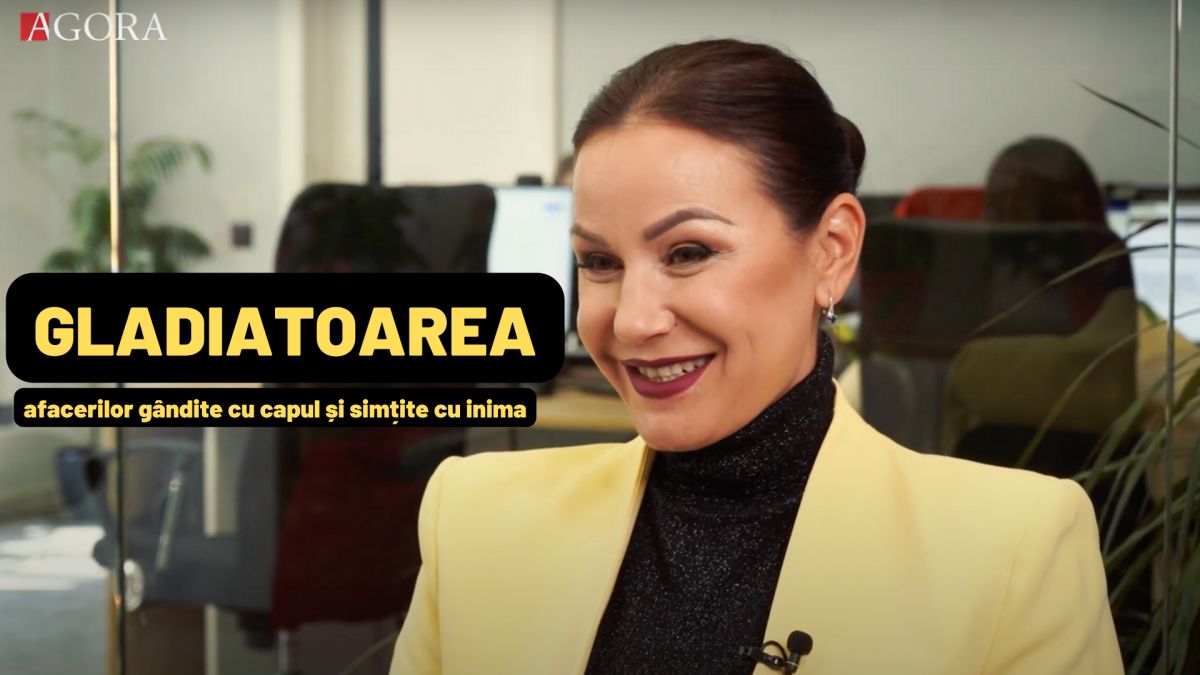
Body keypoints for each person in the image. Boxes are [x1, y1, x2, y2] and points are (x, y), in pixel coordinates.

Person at [390, 39, 1122, 675]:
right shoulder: (472, 519)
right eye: (599, 262)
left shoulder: (1015, 553)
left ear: (831, 251)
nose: (633, 320)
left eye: (688, 252)